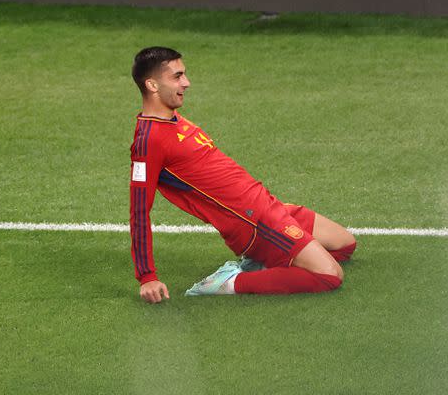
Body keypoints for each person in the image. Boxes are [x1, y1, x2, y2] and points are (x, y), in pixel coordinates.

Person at [129, 47, 357, 303]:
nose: (187, 83)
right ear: (152, 85)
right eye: (177, 76)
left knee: (345, 245)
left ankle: (266, 261)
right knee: (330, 275)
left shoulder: (172, 119)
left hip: (270, 206)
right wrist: (147, 276)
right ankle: (229, 282)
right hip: (255, 223)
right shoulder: (148, 142)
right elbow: (139, 210)